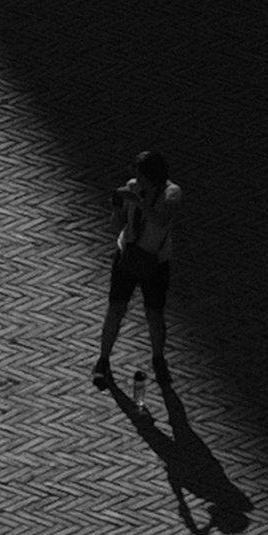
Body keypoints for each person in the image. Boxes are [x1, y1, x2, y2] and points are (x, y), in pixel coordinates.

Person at [92, 149, 180, 389]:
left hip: (156, 262)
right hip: (127, 256)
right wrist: (117, 207)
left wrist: (138, 201)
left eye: (142, 178)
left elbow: (161, 219)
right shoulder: (133, 187)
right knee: (115, 309)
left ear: (154, 177)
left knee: (154, 314)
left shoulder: (171, 193)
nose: (137, 181)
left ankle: (158, 359)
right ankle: (103, 360)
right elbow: (117, 224)